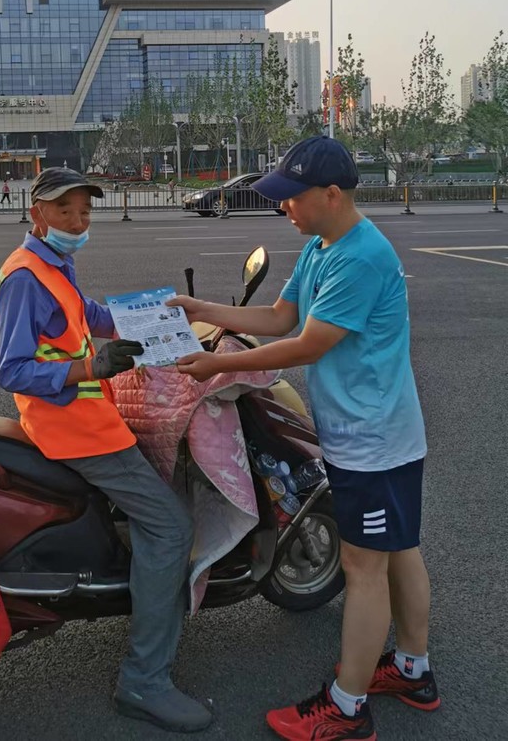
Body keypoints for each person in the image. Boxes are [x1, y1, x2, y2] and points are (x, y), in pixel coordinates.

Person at [169, 136, 438, 741]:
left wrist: (218, 365)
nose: (282, 207)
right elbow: (279, 318)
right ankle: (412, 670)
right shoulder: (322, 246)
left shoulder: (360, 257)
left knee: (364, 567)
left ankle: (347, 709)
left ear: (332, 194)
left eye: (292, 197)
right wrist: (200, 308)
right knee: (397, 550)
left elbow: (309, 344)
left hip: (374, 442)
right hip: (367, 434)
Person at [0, 167, 210, 733]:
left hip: (87, 418)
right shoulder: (25, 277)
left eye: (85, 211)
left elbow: (91, 318)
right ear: (37, 213)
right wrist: (91, 367)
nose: (76, 220)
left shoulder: (53, 267)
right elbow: (12, 370)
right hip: (76, 429)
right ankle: (145, 681)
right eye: (64, 210)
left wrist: (159, 320)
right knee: (172, 528)